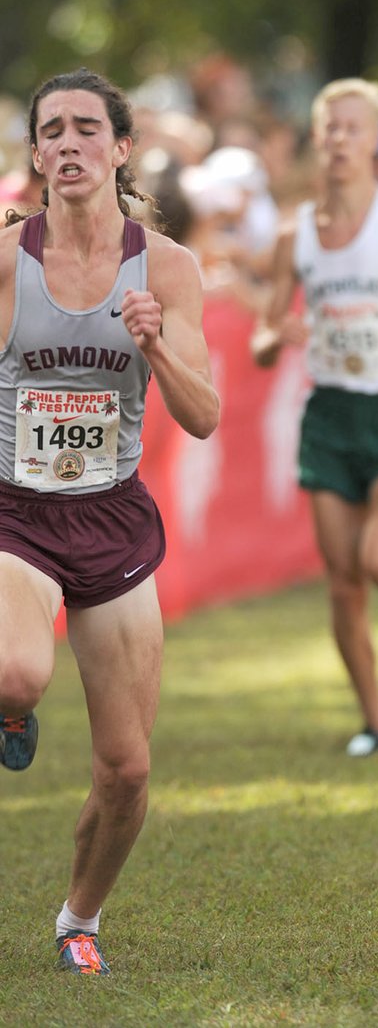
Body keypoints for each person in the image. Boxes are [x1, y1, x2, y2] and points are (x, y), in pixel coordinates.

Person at [0, 68, 219, 974]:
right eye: (52, 131)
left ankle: (79, 917)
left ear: (122, 149)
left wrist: (157, 340)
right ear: (37, 155)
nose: (69, 144)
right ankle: (11, 709)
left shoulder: (167, 268)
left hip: (114, 522)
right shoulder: (5, 258)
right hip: (15, 511)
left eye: (88, 128)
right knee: (16, 672)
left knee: (127, 770)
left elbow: (204, 415)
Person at [251, 78, 378, 757]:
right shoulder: (293, 233)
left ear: (375, 141)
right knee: (343, 582)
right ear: (316, 137)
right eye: (330, 128)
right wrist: (278, 337)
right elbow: (263, 336)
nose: (339, 140)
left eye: (353, 129)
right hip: (329, 414)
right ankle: (376, 720)